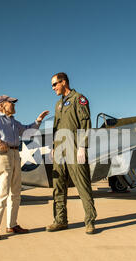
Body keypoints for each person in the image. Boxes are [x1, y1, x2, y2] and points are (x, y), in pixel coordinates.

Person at [0, 95, 49, 240]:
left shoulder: (13, 122)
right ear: (2, 105)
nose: (14, 105)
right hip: (2, 155)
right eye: (11, 103)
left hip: (15, 154)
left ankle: (12, 225)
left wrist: (38, 121)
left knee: (15, 192)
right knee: (2, 192)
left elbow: (27, 131)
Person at [47, 72, 98, 234]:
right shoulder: (58, 104)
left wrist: (83, 146)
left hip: (75, 147)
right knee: (58, 186)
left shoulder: (79, 99)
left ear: (64, 82)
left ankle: (90, 221)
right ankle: (60, 220)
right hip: (60, 149)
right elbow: (56, 128)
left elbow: (85, 123)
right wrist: (54, 146)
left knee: (83, 184)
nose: (53, 88)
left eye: (55, 84)